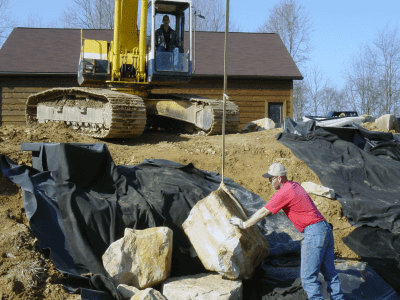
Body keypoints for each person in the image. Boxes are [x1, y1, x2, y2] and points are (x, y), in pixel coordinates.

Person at [230, 163, 345, 300]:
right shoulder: (295, 186)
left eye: (271, 179)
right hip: (325, 229)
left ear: (279, 178)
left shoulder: (284, 192)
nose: (269, 182)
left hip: (314, 232)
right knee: (330, 273)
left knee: (308, 278)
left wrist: (244, 224)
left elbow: (263, 211)